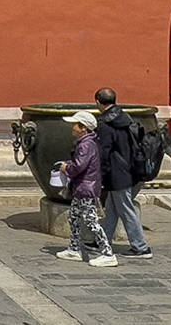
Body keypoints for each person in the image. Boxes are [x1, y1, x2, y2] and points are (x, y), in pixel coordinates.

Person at [52, 111, 118, 266]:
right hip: (82, 187)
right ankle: (74, 248)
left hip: (85, 188)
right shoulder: (89, 142)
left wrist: (65, 167)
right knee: (74, 217)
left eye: (75, 125)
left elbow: (79, 167)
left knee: (90, 221)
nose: (72, 127)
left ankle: (107, 252)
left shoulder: (86, 144)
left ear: (83, 127)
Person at [96, 88, 152, 259]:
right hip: (128, 168)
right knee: (112, 207)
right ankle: (103, 240)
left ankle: (140, 246)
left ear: (98, 102)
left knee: (126, 209)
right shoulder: (125, 117)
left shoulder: (105, 123)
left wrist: (101, 175)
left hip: (116, 172)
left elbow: (104, 152)